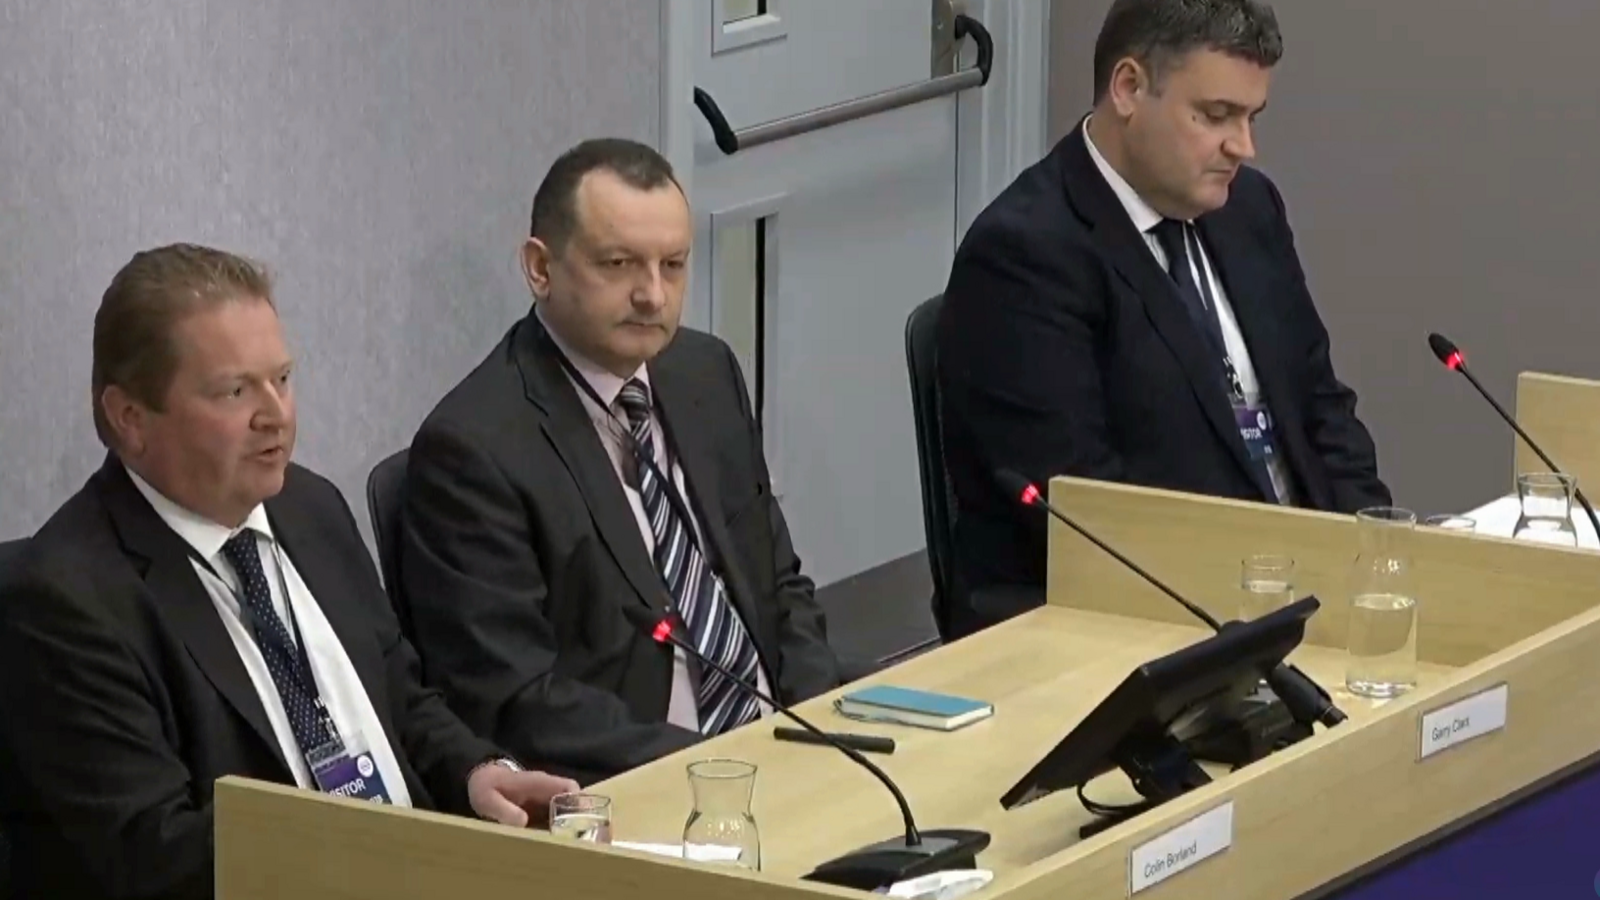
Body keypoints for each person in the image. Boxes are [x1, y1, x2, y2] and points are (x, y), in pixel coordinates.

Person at [0, 244, 579, 900]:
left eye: (282, 378)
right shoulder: (66, 602)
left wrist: (474, 774)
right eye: (234, 391)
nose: (275, 414)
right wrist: (365, 851)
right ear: (130, 418)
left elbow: (403, 699)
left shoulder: (310, 507)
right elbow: (155, 857)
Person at [936, 0, 1390, 634]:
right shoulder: (1027, 256)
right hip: (1144, 629)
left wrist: (1382, 562)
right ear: (1129, 88)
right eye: (1216, 116)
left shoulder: (1248, 209)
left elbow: (1321, 409)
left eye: (1253, 117)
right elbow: (1092, 519)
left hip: (1297, 596)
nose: (1245, 147)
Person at [399, 138, 840, 784]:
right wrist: (716, 769)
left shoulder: (704, 372)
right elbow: (519, 699)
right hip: (639, 786)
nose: (653, 296)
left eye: (674, 265)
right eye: (619, 265)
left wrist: (817, 718)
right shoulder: (474, 450)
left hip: (785, 751)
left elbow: (779, 584)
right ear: (540, 268)